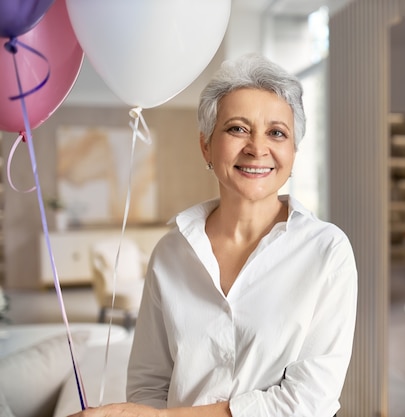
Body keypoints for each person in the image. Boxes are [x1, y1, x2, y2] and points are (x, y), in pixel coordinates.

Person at [70, 53, 358, 417]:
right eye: (237, 128)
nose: (257, 147)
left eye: (277, 132)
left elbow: (307, 401)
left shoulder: (327, 252)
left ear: (293, 151)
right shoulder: (170, 253)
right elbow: (149, 382)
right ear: (206, 145)